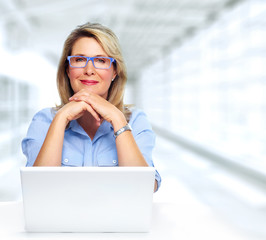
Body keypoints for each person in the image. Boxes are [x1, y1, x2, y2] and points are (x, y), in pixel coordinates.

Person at [21, 23, 161, 192]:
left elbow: (144, 189)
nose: (89, 70)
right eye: (79, 60)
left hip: (117, 219)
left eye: (101, 60)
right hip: (61, 219)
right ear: (67, 69)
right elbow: (37, 191)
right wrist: (61, 119)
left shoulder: (136, 121)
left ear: (114, 72)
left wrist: (117, 118)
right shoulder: (44, 120)